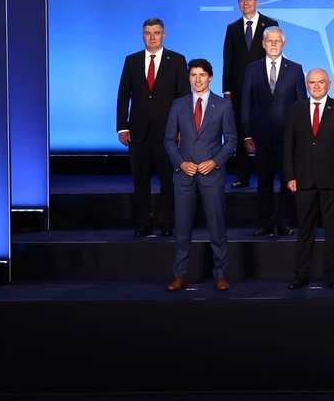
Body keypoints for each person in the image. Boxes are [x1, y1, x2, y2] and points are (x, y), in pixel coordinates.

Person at [162, 59, 237, 292]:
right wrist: (181, 163)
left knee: (217, 227)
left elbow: (231, 141)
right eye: (193, 74)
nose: (197, 79)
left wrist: (213, 162)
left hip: (211, 175)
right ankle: (180, 275)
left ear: (210, 77)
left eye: (202, 75)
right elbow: (168, 140)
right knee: (182, 228)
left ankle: (221, 275)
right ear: (189, 78)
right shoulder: (178, 105)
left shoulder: (223, 105)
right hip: (184, 176)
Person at [116, 18, 190, 238]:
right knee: (140, 181)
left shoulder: (177, 60)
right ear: (142, 35)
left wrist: (181, 129)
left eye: (156, 33)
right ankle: (143, 224)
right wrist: (122, 127)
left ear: (163, 35)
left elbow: (183, 97)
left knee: (168, 180)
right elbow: (123, 96)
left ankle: (166, 223)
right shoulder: (132, 60)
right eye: (148, 33)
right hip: (138, 133)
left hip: (168, 134)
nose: (152, 37)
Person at [284, 68, 334, 290]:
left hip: (333, 180)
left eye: (320, 82)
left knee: (333, 230)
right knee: (304, 231)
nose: (316, 86)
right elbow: (288, 145)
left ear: (329, 84)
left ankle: (333, 276)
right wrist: (290, 176)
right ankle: (300, 276)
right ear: (306, 85)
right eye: (311, 82)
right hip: (303, 180)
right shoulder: (296, 109)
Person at [239, 27, 305, 237]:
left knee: (288, 181)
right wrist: (247, 134)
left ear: (283, 44)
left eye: (277, 41)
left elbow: (301, 105)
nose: (274, 44)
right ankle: (264, 224)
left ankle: (285, 223)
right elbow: (246, 104)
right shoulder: (252, 69)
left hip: (287, 137)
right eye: (270, 41)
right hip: (261, 136)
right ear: (263, 44)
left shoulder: (295, 69)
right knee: (264, 182)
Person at [221, 0, 277, 188]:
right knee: (240, 129)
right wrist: (227, 89)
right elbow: (228, 60)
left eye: (249, 0)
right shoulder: (232, 28)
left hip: (264, 86)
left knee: (264, 129)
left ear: (257, 2)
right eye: (242, 0)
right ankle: (242, 176)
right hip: (238, 88)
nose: (246, 3)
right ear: (239, 4)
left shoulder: (270, 24)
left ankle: (266, 175)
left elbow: (274, 57)